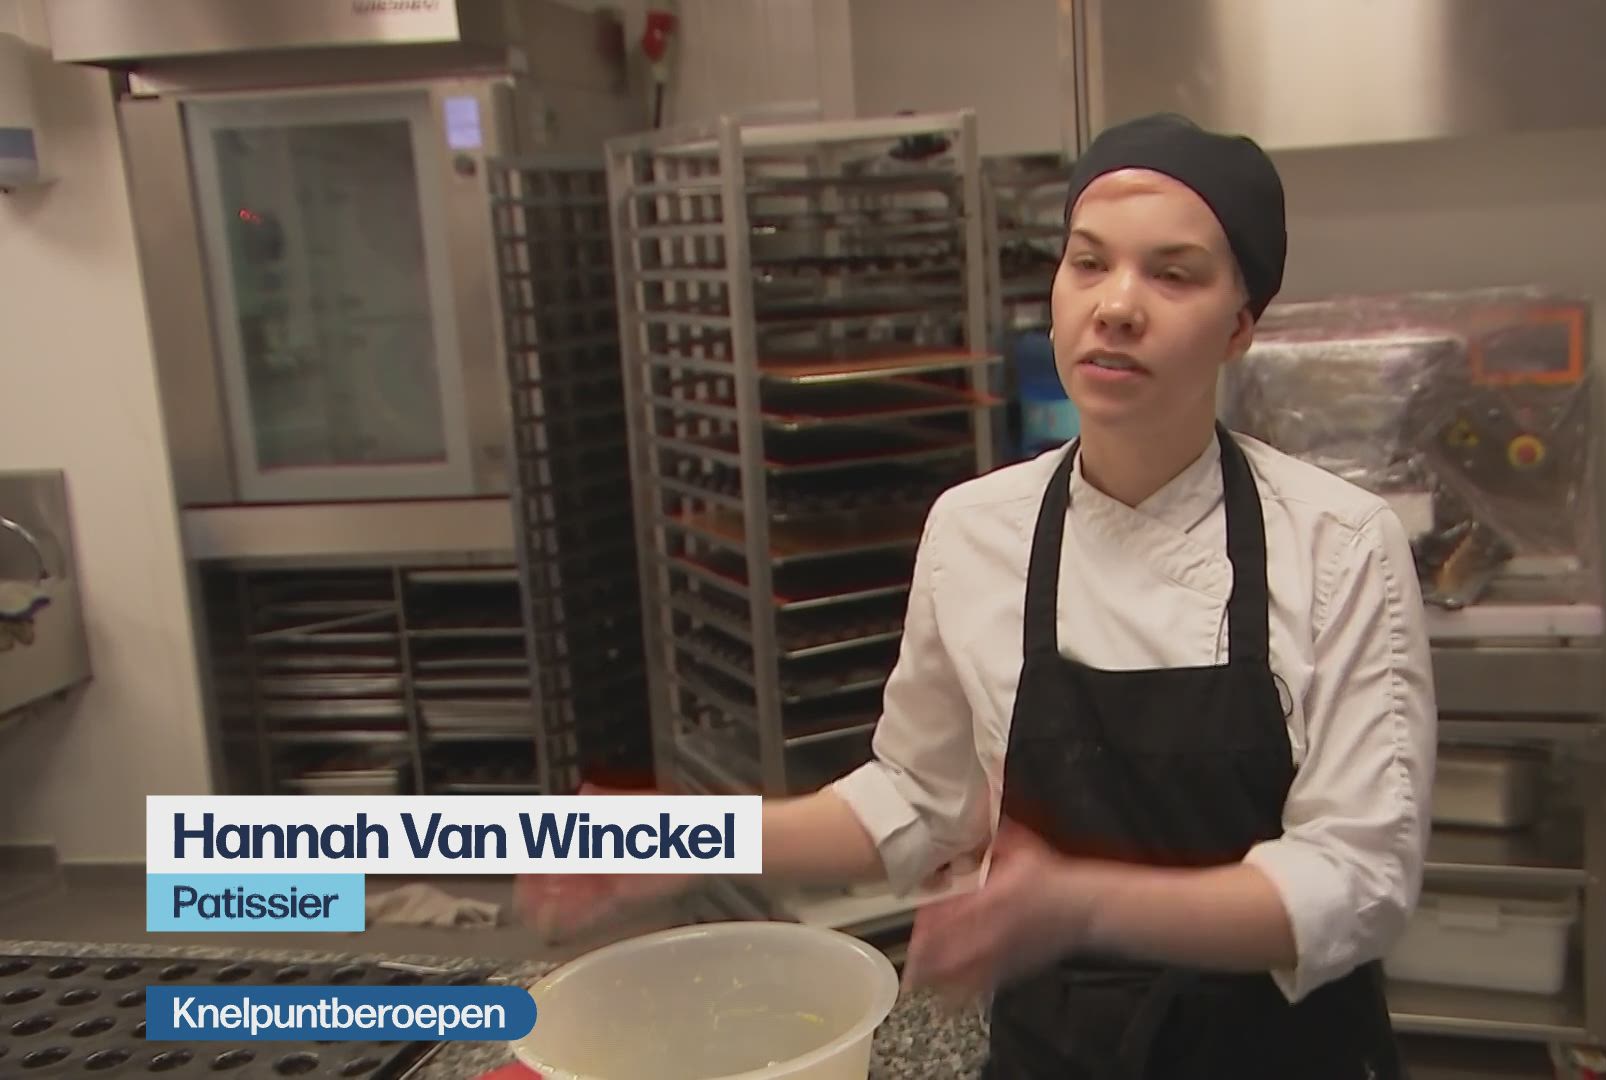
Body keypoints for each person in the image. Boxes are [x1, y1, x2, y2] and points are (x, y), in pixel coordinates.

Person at [519, 112, 1437, 1079]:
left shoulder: (1338, 544)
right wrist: (686, 836)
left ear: (1240, 327)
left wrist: (1081, 903)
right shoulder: (976, 530)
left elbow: (1360, 876)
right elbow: (920, 798)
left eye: (1173, 275)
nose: (1117, 306)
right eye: (1089, 262)